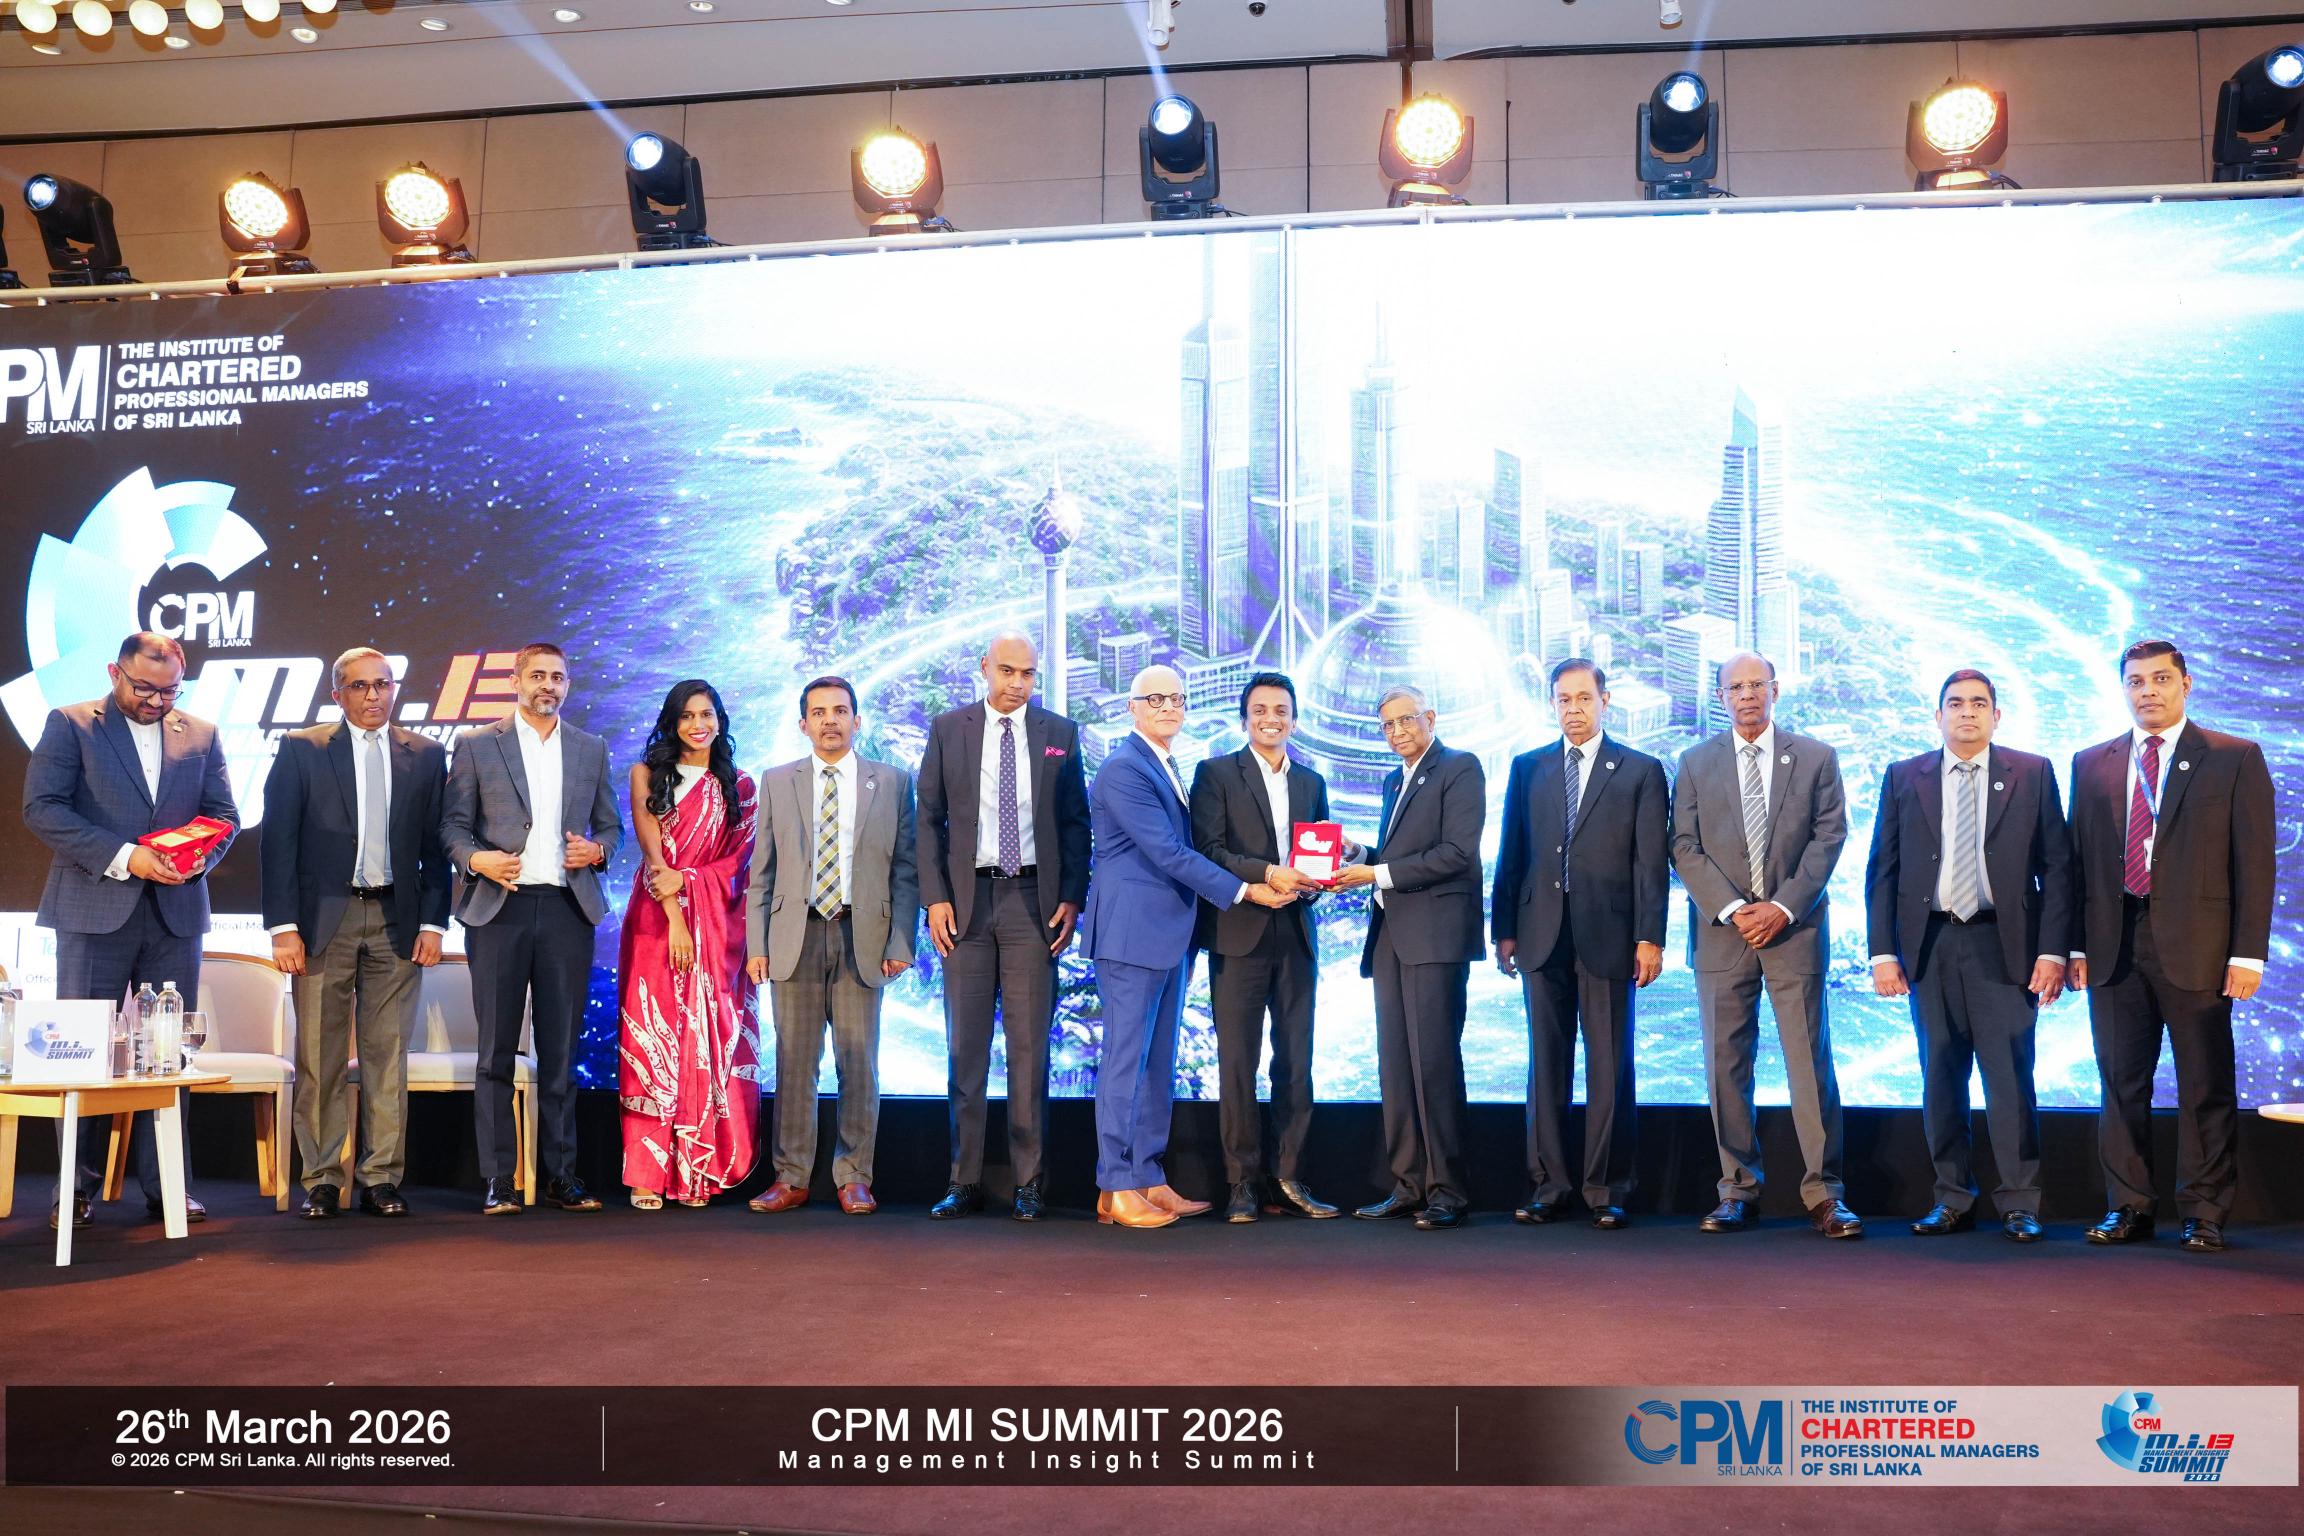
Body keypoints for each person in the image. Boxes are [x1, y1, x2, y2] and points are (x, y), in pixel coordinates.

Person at [22, 632, 237, 1229]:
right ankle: (75, 1189)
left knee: (170, 1056)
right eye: (145, 688)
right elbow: (42, 808)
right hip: (92, 908)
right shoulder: (71, 724)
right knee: (81, 1054)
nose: (157, 701)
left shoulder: (201, 734)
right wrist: (126, 856)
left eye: (170, 691)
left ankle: (169, 1186)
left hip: (176, 913)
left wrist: (198, 859)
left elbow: (224, 815)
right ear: (115, 672)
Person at [2068, 640, 2274, 1254]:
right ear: (2124, 689)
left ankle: (2204, 1211)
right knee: (2119, 1083)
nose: (2148, 691)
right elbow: (2078, 864)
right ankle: (2128, 1205)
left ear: (2186, 684)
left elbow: (2255, 863)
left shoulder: (2234, 757)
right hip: (2113, 945)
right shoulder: (2092, 763)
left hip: (2199, 947)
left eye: (2160, 679)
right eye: (2136, 681)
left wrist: (2248, 954)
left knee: (2204, 1084)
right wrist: (2075, 947)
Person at [1865, 669, 2073, 1243]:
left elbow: (2058, 868)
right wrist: (1882, 953)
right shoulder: (1904, 775)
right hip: (1929, 945)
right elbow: (1883, 870)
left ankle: (2020, 1202)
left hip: (2003, 945)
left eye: (1979, 703)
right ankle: (1951, 1198)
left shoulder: (2032, 772)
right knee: (1940, 1076)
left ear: (1996, 716)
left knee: (2009, 1078)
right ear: (1938, 716)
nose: (1967, 712)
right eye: (1955, 703)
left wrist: (2053, 951)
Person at [1081, 665, 1292, 1229]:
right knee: (1126, 1062)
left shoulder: (1164, 763)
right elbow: (1169, 852)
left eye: (1176, 698)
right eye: (1155, 699)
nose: (1169, 707)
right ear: (1132, 707)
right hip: (1131, 936)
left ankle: (1147, 1176)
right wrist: (1247, 889)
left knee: (1156, 1065)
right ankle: (1114, 1184)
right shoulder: (1124, 768)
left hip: (1167, 936)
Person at [1670, 651, 1859, 1238]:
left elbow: (1830, 835)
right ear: (1720, 697)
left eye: (1757, 684)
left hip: (1794, 931)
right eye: (1736, 687)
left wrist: (1782, 907)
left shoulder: (1817, 757)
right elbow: (1683, 845)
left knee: (1810, 1066)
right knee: (1725, 1067)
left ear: (1775, 690)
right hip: (1722, 935)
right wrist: (1734, 909)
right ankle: (1737, 1190)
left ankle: (1825, 1195)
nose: (1747, 695)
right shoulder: (1695, 762)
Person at [261, 647, 450, 1220]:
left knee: (387, 1056)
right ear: (337, 694)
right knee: (319, 1055)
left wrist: (434, 922)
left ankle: (381, 1179)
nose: (374, 695)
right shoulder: (302, 748)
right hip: (325, 922)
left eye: (383, 684)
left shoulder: (425, 754)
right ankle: (321, 1179)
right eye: (360, 686)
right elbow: (278, 843)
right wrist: (284, 928)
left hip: (398, 919)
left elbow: (435, 847)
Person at [441, 641, 623, 1216]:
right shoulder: (477, 744)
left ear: (568, 685)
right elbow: (451, 827)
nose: (549, 685)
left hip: (568, 910)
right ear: (516, 681)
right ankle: (499, 1178)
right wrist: (477, 859)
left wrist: (597, 851)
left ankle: (562, 1175)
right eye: (538, 675)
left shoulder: (590, 748)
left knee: (561, 1051)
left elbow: (612, 828)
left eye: (558, 677)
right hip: (501, 910)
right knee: (495, 1051)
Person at [914, 630, 1091, 1221]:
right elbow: (928, 819)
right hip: (966, 904)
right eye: (1007, 671)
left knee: (1029, 1050)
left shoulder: (1059, 733)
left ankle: (1029, 1183)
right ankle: (962, 1180)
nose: (1018, 683)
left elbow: (1076, 823)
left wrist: (1072, 897)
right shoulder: (949, 728)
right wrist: (935, 899)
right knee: (966, 1050)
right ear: (985, 667)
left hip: (1033, 903)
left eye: (1028, 673)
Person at [1490, 659, 1668, 1231]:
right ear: (1553, 704)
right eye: (1563, 699)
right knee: (1546, 1065)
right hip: (1539, 934)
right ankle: (1549, 1184)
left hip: (1611, 937)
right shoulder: (1528, 767)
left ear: (1604, 701)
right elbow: (1511, 851)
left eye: (1584, 698)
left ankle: (1607, 1188)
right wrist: (1503, 930)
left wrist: (1650, 938)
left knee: (1610, 1066)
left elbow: (1650, 865)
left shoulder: (1640, 770)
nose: (1573, 708)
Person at [744, 676, 918, 1216]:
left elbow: (905, 870)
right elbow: (761, 872)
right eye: (818, 712)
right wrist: (757, 944)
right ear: (803, 724)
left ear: (857, 721)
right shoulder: (777, 781)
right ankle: (791, 1177)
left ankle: (855, 1176)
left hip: (861, 936)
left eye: (840, 711)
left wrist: (901, 940)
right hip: (793, 937)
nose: (830, 721)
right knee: (795, 1062)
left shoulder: (892, 782)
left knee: (858, 1061)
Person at [1330, 685, 1487, 1230]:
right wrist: (1361, 856)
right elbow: (1399, 858)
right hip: (1392, 938)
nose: (1397, 731)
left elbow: (1457, 852)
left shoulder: (1460, 767)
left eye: (1406, 720)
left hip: (1435, 939)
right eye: (1388, 725)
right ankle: (1409, 1184)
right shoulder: (1394, 780)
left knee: (1434, 1064)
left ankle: (1448, 1190)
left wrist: (1375, 872)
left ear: (1430, 717)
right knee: (1395, 1065)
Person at [1189, 671, 1340, 1222]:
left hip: (1296, 933)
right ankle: (1241, 1183)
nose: (1270, 719)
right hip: (1239, 932)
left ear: (1294, 720)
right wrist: (1268, 874)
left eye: (1281, 710)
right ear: (1244, 718)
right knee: (1238, 1063)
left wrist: (1318, 881)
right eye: (1260, 710)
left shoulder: (1312, 782)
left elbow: (1319, 856)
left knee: (1296, 1061)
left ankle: (1288, 1178)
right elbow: (1208, 850)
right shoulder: (1215, 774)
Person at [616, 680, 759, 1210]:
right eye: (687, 716)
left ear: (720, 720)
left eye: (707, 715)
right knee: (653, 1036)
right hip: (656, 920)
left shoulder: (739, 786)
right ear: (671, 723)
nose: (698, 725)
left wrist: (693, 885)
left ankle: (699, 1169)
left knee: (707, 1036)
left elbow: (740, 862)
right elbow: (655, 856)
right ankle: (647, 1173)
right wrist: (677, 917)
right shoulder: (646, 774)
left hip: (717, 926)